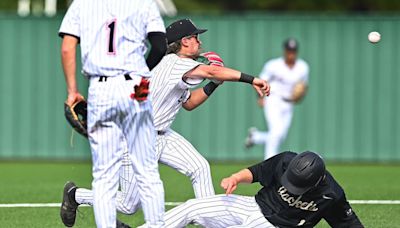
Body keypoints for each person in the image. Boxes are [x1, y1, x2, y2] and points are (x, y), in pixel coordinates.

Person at [59, 18, 270, 227]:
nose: (200, 43)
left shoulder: (177, 68)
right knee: (128, 205)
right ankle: (75, 195)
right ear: (185, 41)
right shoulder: (174, 63)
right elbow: (211, 70)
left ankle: (211, 222)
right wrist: (252, 79)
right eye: (196, 37)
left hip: (162, 134)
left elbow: (189, 103)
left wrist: (214, 85)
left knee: (199, 167)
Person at [58, 0, 167, 227]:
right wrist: (142, 78)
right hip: (135, 85)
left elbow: (68, 47)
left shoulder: (82, 4)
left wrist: (72, 91)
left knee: (104, 177)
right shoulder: (144, 3)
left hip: (101, 88)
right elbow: (159, 46)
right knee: (146, 171)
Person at [149, 151, 364, 228]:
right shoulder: (286, 160)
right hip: (252, 205)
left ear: (317, 181)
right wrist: (235, 177)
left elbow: (349, 225)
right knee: (191, 207)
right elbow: (257, 171)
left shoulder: (332, 195)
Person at [245, 38, 309, 159]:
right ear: (285, 51)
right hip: (273, 99)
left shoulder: (303, 67)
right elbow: (261, 81)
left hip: (289, 103)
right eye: (289, 50)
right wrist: (260, 97)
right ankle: (269, 163)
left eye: (293, 51)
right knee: (276, 132)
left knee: (281, 136)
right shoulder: (273, 65)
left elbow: (303, 86)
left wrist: (301, 95)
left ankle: (256, 137)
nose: (291, 53)